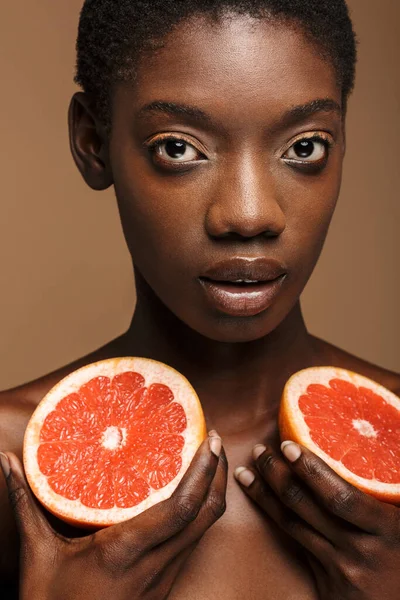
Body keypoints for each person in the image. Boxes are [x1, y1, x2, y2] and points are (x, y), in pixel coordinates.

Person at [1, 0, 399, 598]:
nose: (249, 214)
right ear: (92, 141)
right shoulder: (12, 469)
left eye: (305, 147)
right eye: (179, 148)